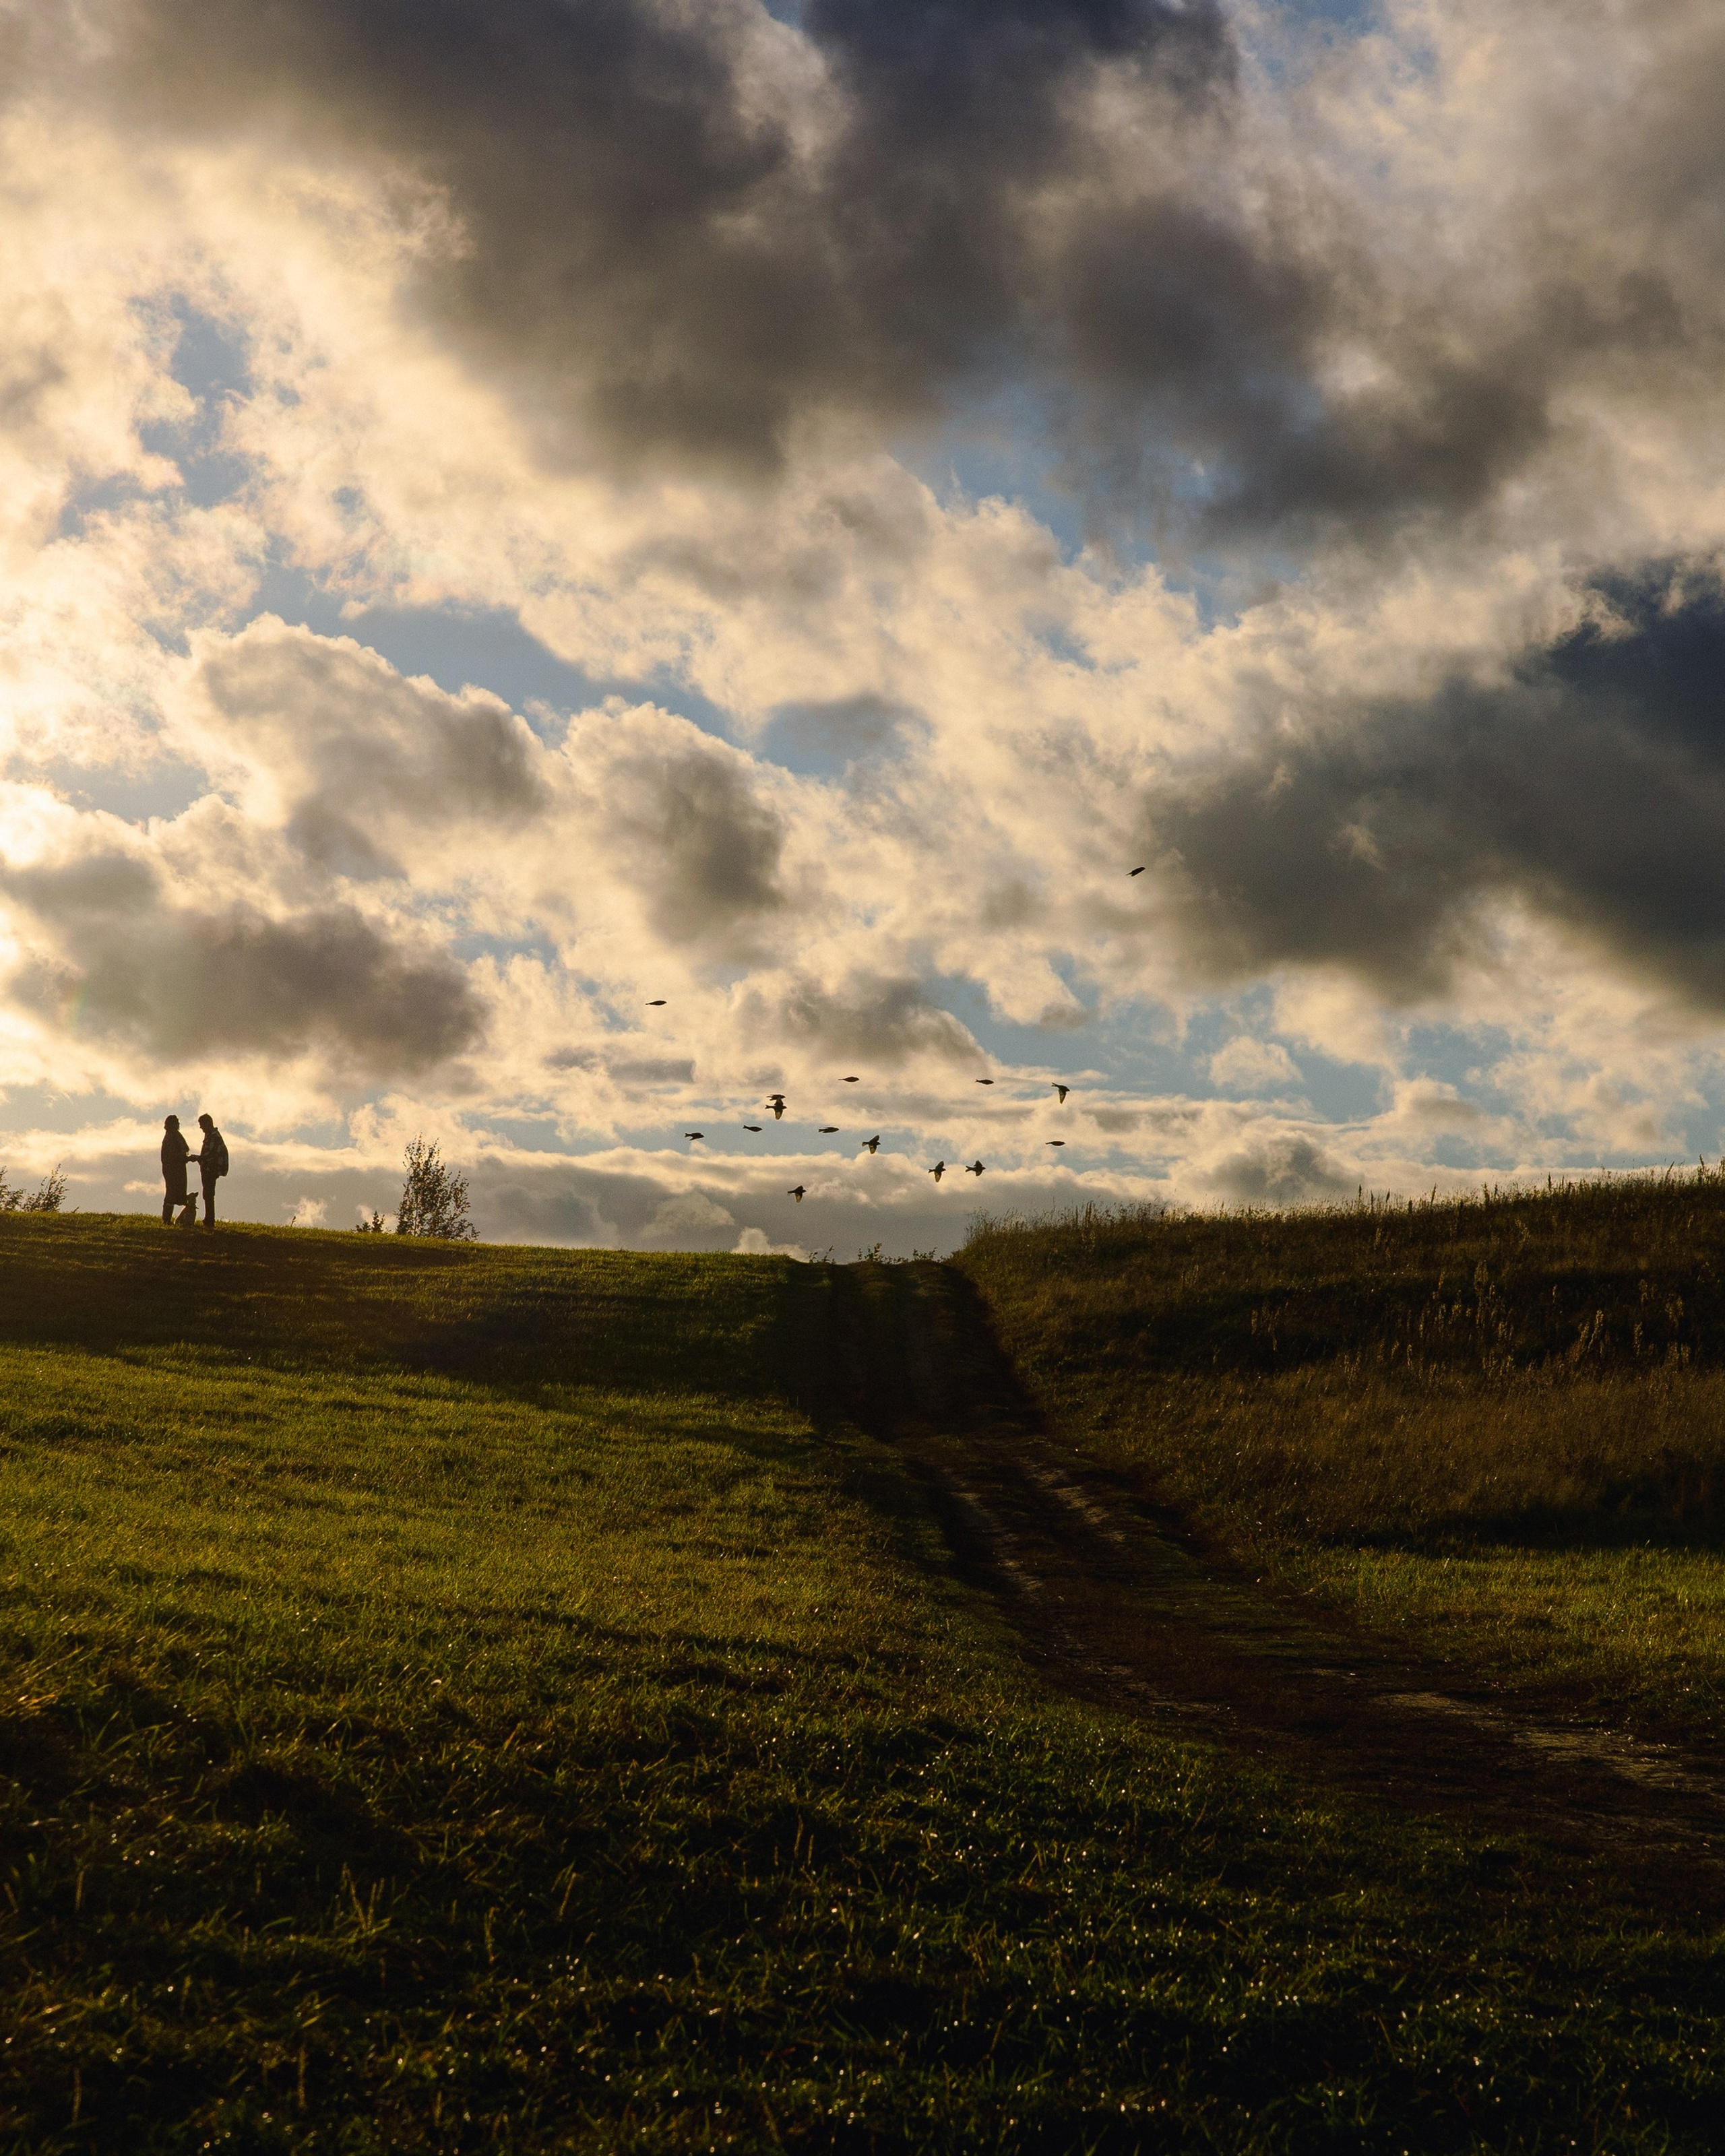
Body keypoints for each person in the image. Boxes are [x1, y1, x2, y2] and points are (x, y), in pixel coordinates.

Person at [193, 1112, 229, 1227]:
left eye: (202, 1124)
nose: (201, 1127)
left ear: (208, 1123)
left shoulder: (214, 1136)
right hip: (208, 1168)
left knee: (208, 1194)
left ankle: (210, 1220)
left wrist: (199, 1158)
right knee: (207, 1194)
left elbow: (211, 1154)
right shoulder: (211, 1135)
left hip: (210, 1169)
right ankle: (209, 1218)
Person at [160, 1115, 195, 1226]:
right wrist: (187, 1158)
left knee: (174, 1193)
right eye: (176, 1122)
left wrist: (187, 1158)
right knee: (171, 1194)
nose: (178, 1124)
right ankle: (166, 1220)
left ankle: (169, 1220)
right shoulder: (171, 1137)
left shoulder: (173, 1136)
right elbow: (173, 1155)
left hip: (177, 1169)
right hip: (173, 1170)